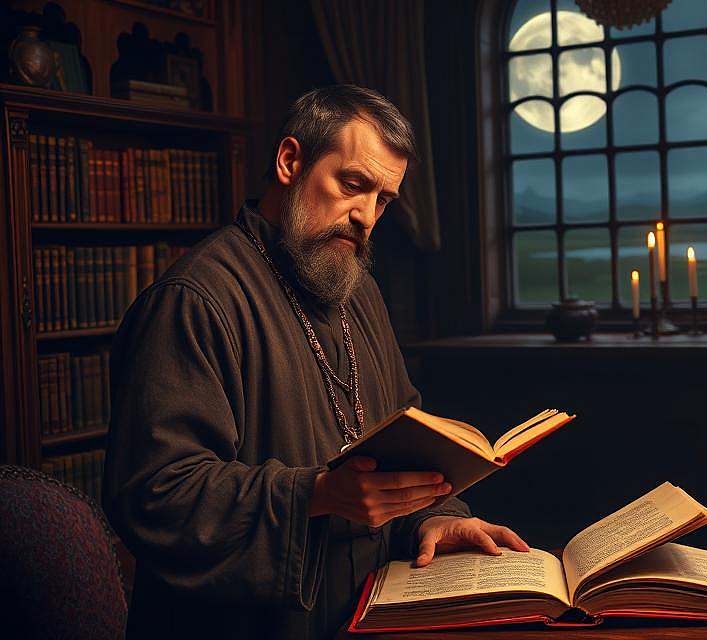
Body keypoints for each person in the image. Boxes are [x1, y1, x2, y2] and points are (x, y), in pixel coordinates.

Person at [103, 85, 529, 640]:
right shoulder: (194, 300)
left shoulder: (359, 292)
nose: (366, 217)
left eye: (383, 199)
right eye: (352, 185)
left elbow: (405, 436)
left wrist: (436, 518)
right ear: (290, 162)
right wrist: (318, 494)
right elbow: (154, 496)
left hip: (367, 614)